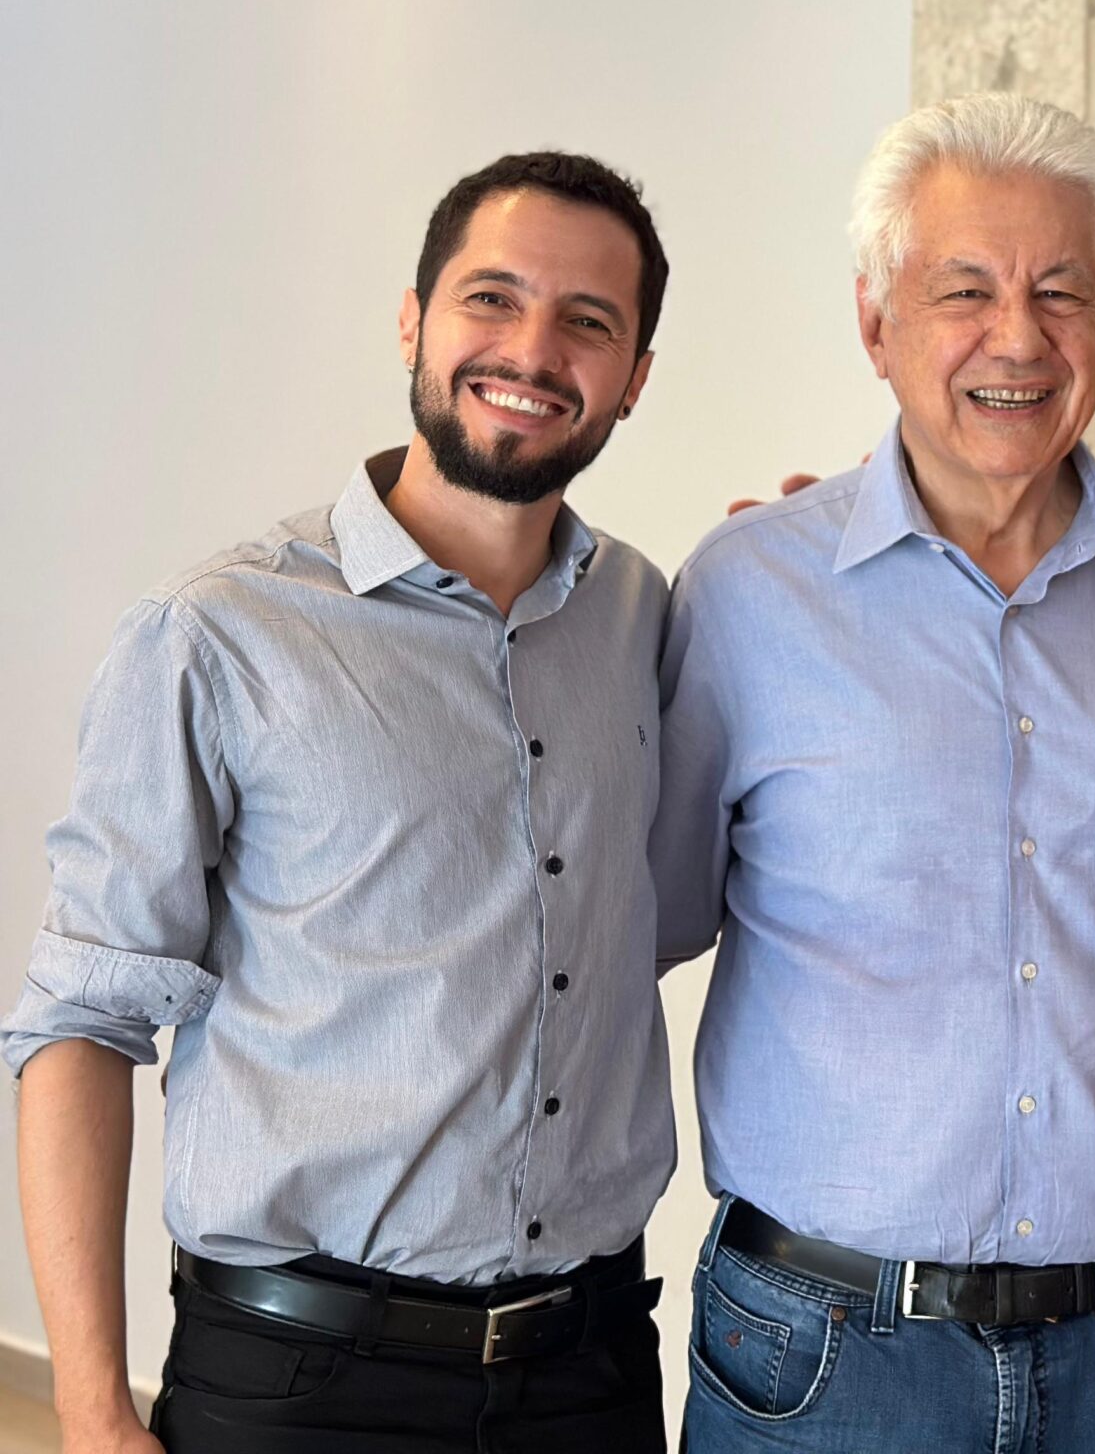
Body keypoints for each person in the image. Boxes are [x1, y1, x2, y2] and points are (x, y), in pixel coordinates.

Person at [653, 93, 1095, 1452]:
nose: (1018, 337)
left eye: (1060, 292)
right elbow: (640, 923)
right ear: (874, 322)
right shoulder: (749, 595)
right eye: (964, 290)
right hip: (824, 1354)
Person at [6, 154, 679, 1453]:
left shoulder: (643, 616)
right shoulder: (220, 633)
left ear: (635, 375)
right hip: (301, 1383)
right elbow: (81, 1024)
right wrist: (89, 1411)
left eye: (588, 321)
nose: (532, 352)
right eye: (492, 298)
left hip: (590, 1373)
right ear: (414, 319)